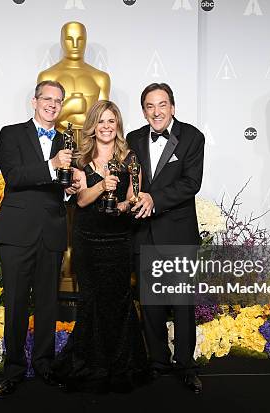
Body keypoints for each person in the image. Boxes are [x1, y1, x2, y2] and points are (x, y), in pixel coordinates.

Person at [53, 100, 148, 392]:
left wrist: (120, 206)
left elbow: (133, 197)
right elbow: (80, 201)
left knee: (118, 299)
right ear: (92, 125)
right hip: (87, 240)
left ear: (117, 125)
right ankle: (88, 364)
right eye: (101, 121)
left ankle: (121, 365)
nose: (106, 127)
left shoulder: (130, 157)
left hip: (119, 239)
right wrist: (101, 186)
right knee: (91, 299)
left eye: (112, 121)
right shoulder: (80, 160)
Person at [0, 80, 79, 398]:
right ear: (35, 100)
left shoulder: (68, 140)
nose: (52, 105)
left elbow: (66, 185)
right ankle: (13, 368)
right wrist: (52, 166)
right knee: (15, 302)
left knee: (47, 304)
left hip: (52, 231)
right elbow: (14, 176)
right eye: (47, 99)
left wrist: (69, 189)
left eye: (58, 101)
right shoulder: (11, 133)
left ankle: (44, 364)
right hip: (17, 233)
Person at [126, 83, 205, 393]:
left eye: (162, 105)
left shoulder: (192, 137)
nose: (156, 111)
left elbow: (191, 183)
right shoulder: (132, 139)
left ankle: (185, 365)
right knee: (151, 304)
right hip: (143, 232)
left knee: (182, 303)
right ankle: (158, 361)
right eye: (149, 106)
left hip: (177, 232)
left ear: (172, 107)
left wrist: (152, 199)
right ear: (143, 110)